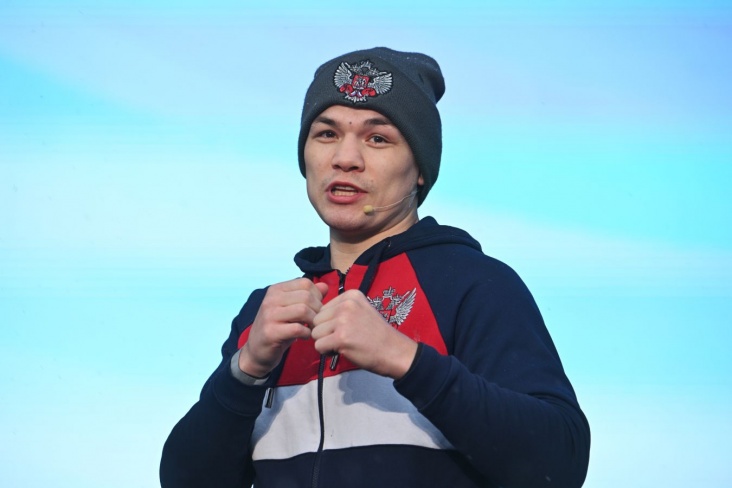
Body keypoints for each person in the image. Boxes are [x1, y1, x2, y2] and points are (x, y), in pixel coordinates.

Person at [160, 47, 591, 488]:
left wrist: (407, 360)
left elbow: (561, 463)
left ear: (420, 168)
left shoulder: (475, 284)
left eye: (378, 138)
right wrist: (246, 370)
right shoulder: (266, 312)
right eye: (326, 133)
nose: (345, 158)